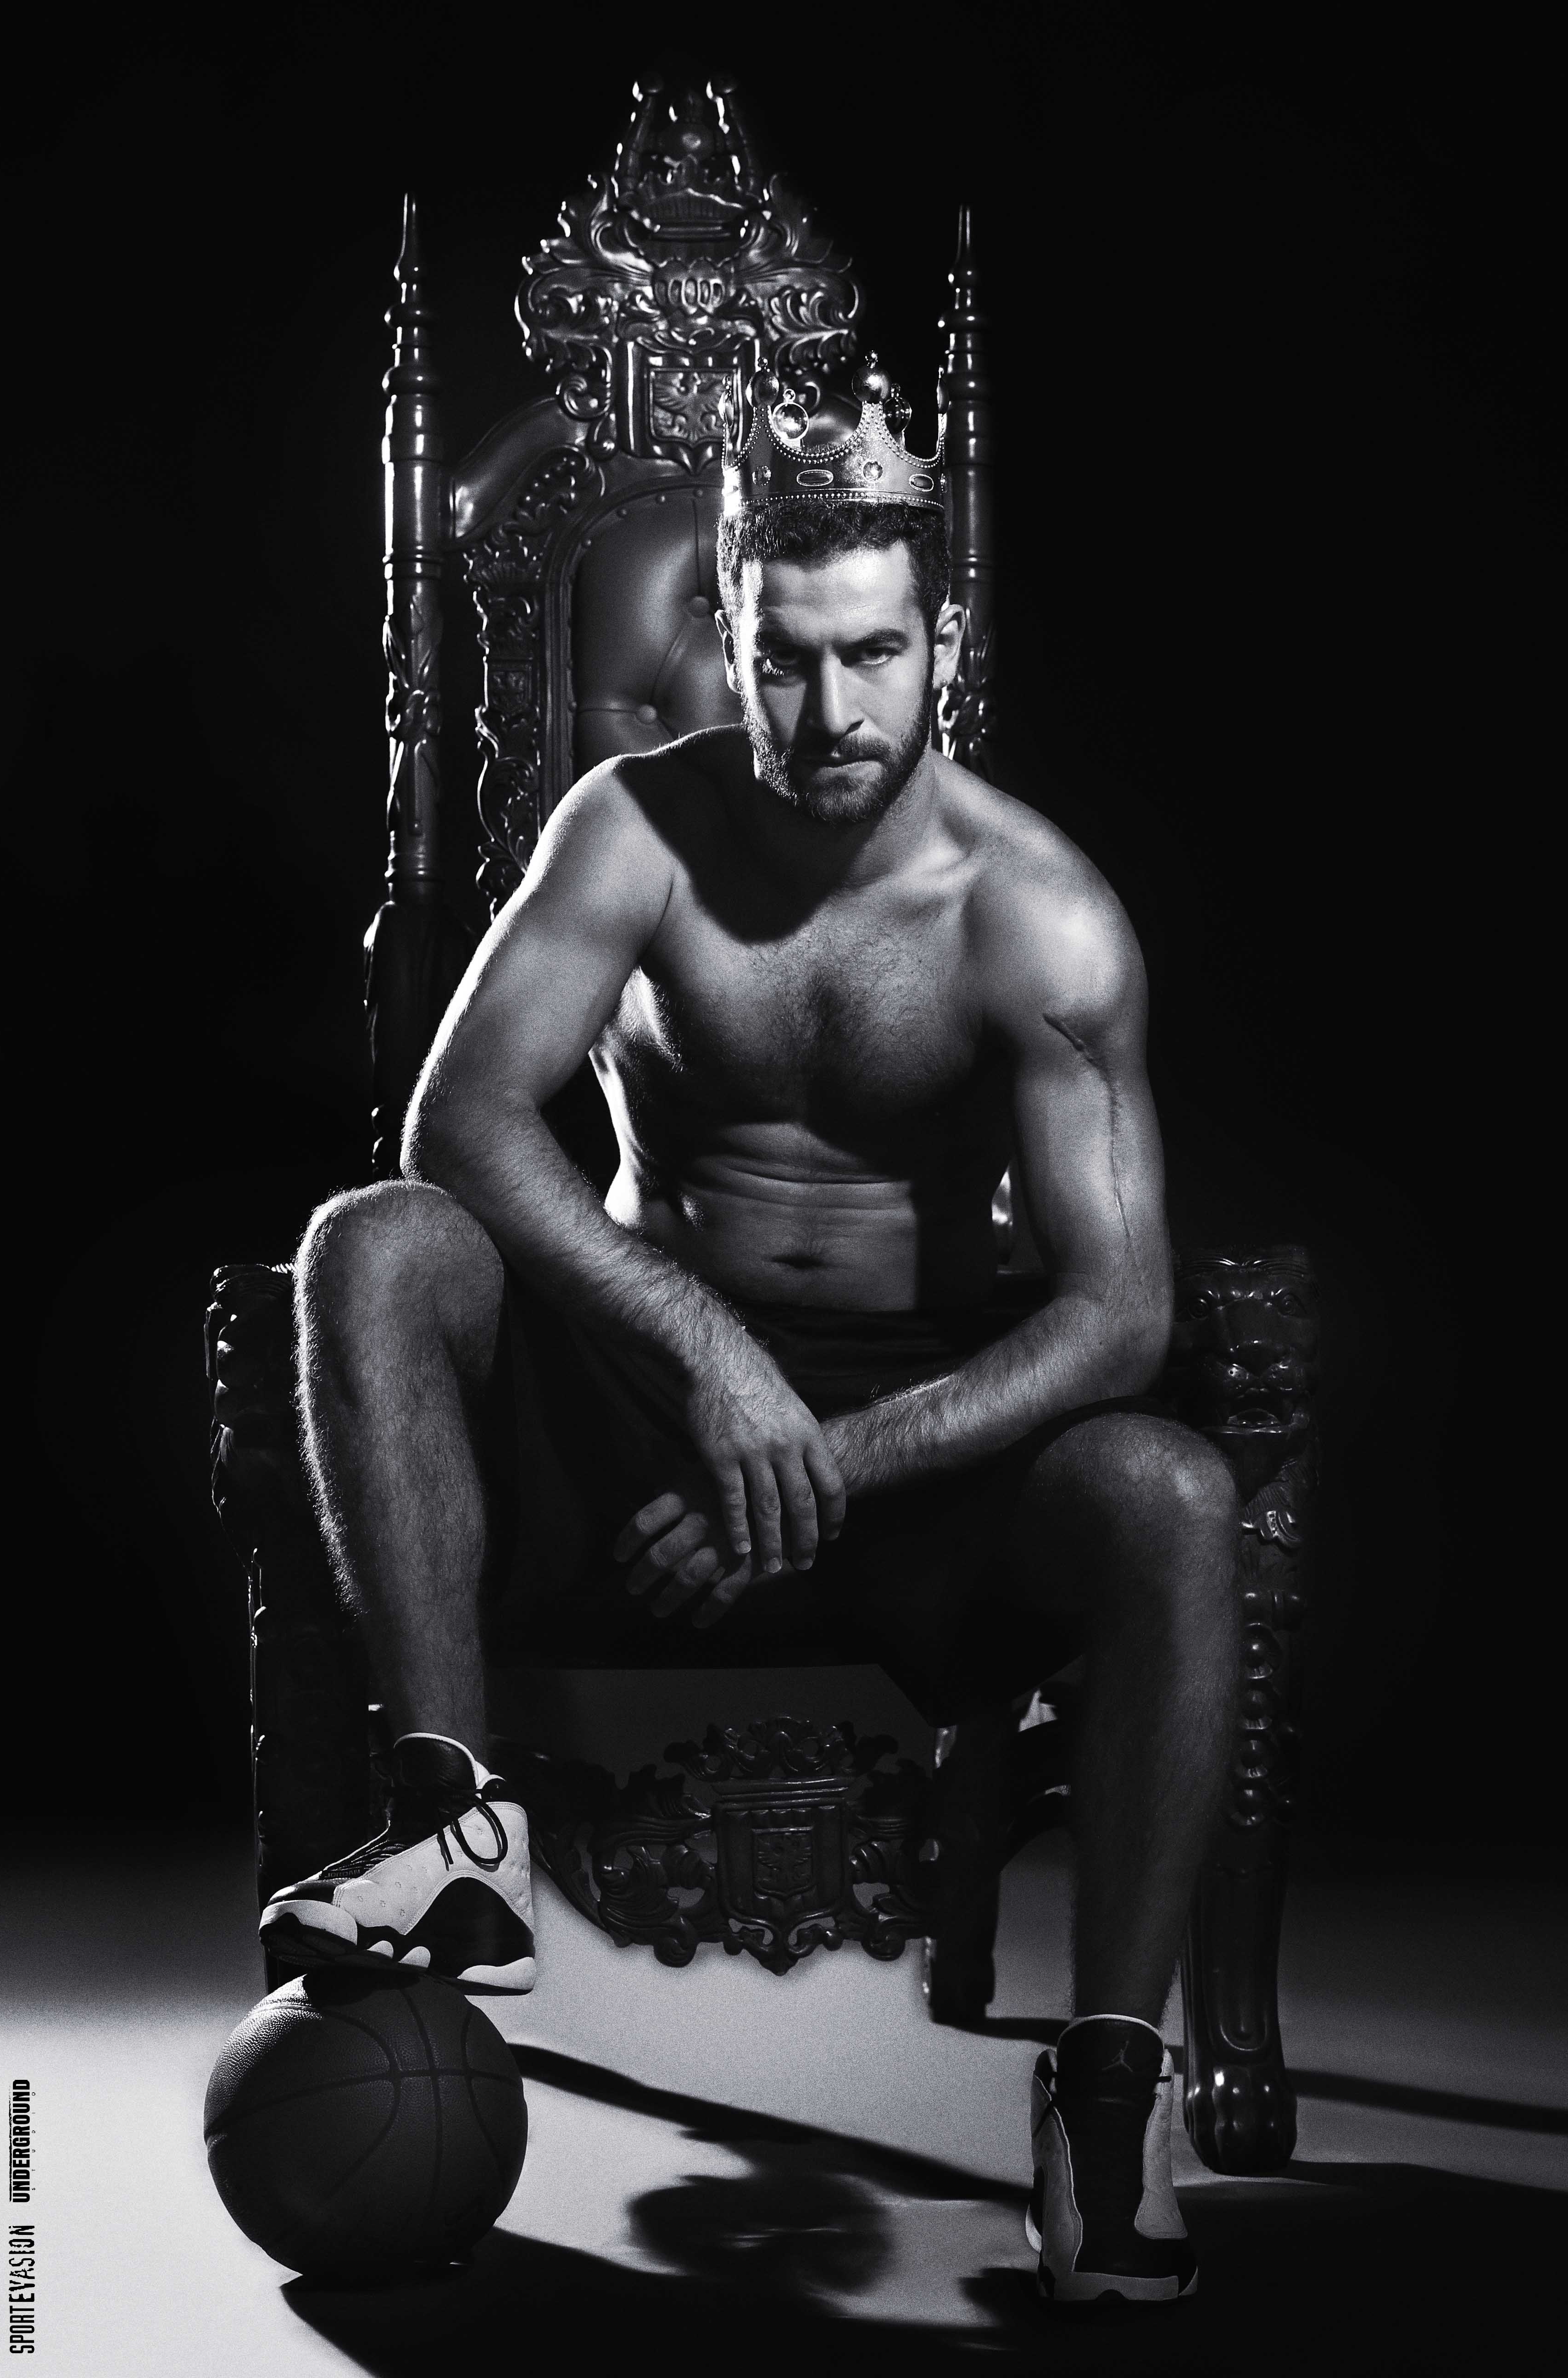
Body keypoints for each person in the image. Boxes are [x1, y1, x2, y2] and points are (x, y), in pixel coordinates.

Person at [261, 361, 1238, 2306]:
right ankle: (457, 1830)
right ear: (727, 629)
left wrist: (826, 1458)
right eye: (786, 658)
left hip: (920, 1441)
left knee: (1175, 1499)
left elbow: (1121, 1311)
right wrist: (710, 1364)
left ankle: (1112, 2096)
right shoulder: (634, 828)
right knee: (373, 1245)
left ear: (943, 643)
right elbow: (464, 1121)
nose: (831, 711)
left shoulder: (1040, 916)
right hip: (639, 1397)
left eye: (875, 654)